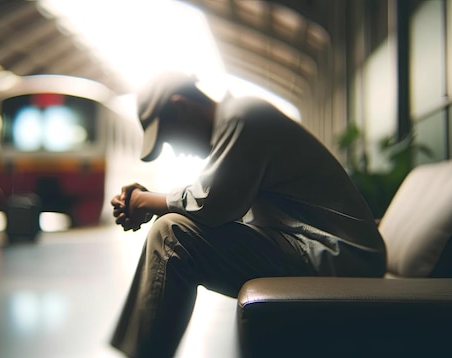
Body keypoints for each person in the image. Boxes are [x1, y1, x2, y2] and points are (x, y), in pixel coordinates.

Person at [109, 72, 387, 358]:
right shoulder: (239, 119)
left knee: (171, 235)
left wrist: (144, 201)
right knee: (172, 227)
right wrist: (146, 202)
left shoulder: (242, 117)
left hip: (339, 258)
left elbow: (212, 206)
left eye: (169, 140)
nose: (176, 153)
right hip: (325, 253)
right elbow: (219, 203)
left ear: (182, 107)